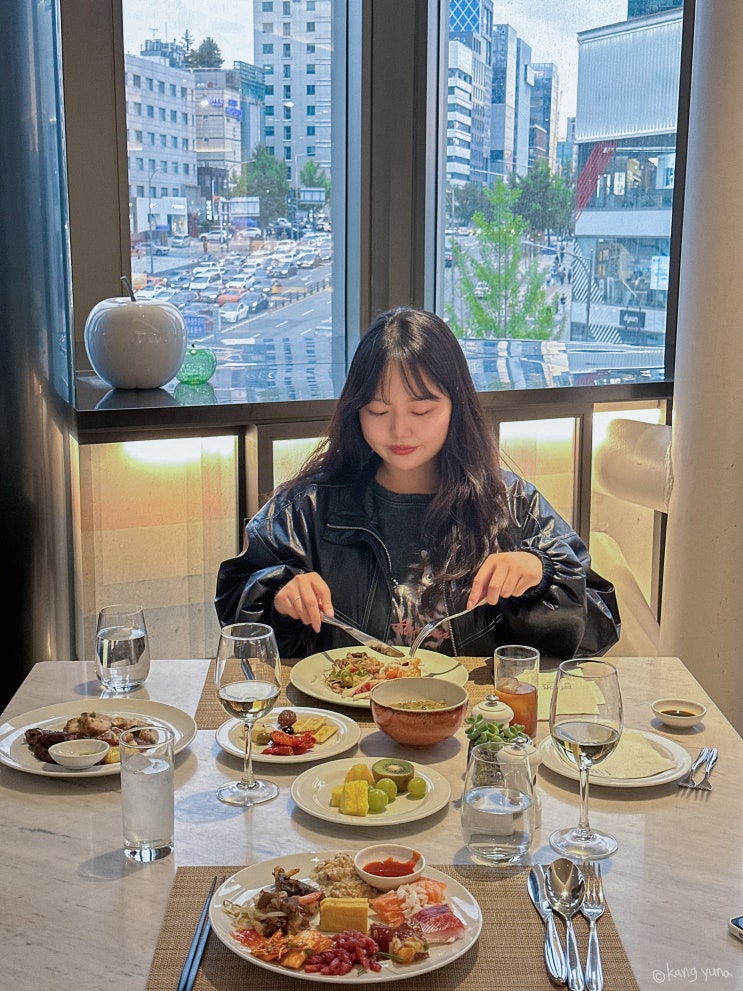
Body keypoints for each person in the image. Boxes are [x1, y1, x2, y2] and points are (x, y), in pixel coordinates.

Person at [215, 307, 620, 660]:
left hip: (474, 719)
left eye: (421, 410)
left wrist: (541, 573)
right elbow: (238, 614)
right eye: (377, 410)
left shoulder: (510, 505)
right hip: (343, 719)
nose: (399, 430)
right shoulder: (305, 510)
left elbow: (600, 625)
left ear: (456, 406)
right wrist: (279, 596)